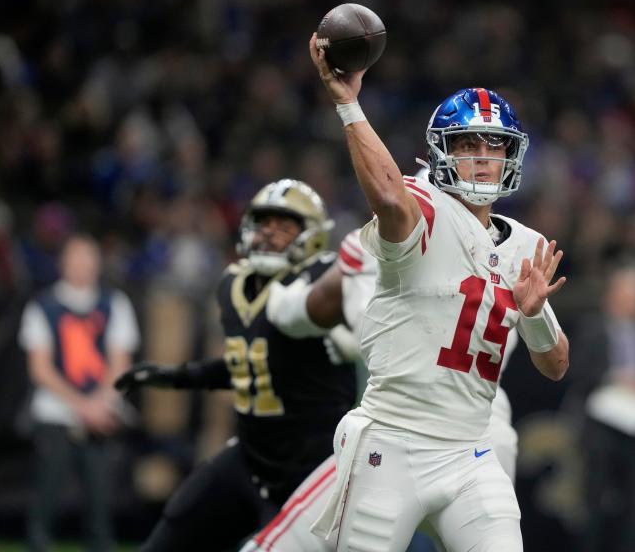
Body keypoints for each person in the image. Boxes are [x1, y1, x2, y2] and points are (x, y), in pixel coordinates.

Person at [301, 34, 570, 552]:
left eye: (495, 145)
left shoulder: (527, 246)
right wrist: (347, 102)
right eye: (470, 144)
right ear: (443, 152)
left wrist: (534, 315)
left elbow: (556, 366)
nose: (485, 158)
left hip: (470, 451)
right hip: (391, 440)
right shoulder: (422, 206)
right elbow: (387, 195)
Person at [242, 224, 522, 551]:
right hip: (485, 441)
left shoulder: (372, 244)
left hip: (397, 437)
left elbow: (298, 311)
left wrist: (280, 297)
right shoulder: (510, 251)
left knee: (282, 546)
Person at [114, 179, 356, 551]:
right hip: (250, 457)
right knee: (167, 539)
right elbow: (249, 364)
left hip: (310, 472)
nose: (270, 234)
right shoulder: (234, 283)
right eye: (265, 223)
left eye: (285, 226)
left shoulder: (320, 284)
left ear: (311, 236)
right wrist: (178, 377)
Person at [19, 234, 140, 552]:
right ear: (62, 262)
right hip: (55, 413)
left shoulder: (114, 303)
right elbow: (40, 368)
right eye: (75, 257)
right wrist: (81, 406)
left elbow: (120, 362)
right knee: (44, 499)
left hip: (102, 414)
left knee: (101, 506)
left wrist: (99, 404)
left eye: (88, 258)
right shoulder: (43, 305)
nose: (81, 265)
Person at [566, 266, 635, 552]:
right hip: (600, 429)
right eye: (630, 296)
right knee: (592, 505)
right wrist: (613, 377)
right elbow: (575, 371)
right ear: (612, 296)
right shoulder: (592, 328)